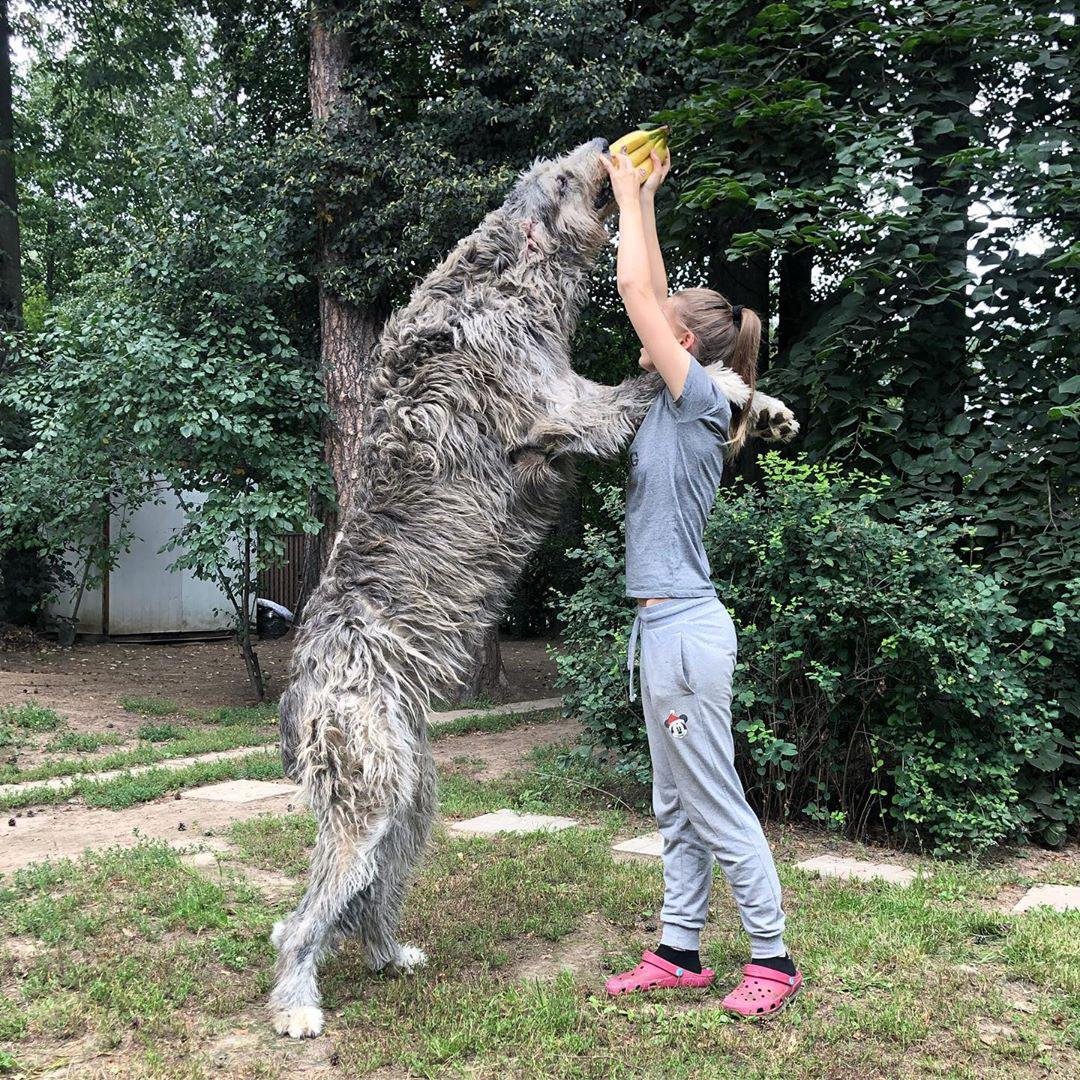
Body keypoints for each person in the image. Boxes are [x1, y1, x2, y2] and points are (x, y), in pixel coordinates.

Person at [596, 143, 803, 1019]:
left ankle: (774, 959)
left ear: (681, 344)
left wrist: (621, 189)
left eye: (660, 326)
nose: (642, 329)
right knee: (674, 801)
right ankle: (681, 950)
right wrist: (641, 199)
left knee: (712, 797)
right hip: (662, 630)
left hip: (683, 630)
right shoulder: (687, 394)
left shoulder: (699, 400)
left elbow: (640, 293)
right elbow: (656, 289)